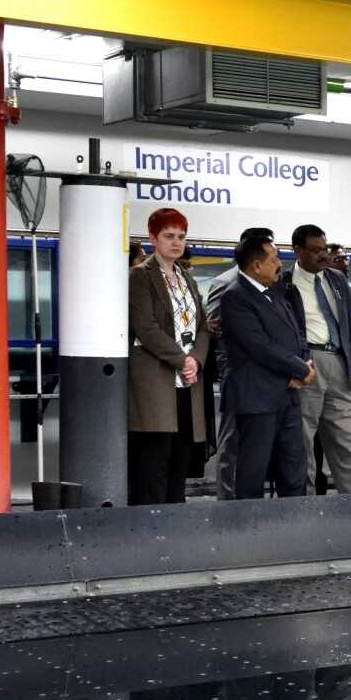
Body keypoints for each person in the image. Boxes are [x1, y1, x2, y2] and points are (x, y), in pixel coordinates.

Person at [219, 233, 314, 498]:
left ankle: (294, 518)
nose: (279, 264)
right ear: (256, 265)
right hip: (257, 396)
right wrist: (301, 369)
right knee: (254, 467)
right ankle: (249, 521)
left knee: (294, 466)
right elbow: (260, 346)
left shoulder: (274, 292)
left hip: (287, 393)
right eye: (274, 259)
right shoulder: (235, 297)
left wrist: (305, 363)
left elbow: (297, 333)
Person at [127, 208, 212, 504]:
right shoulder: (139, 276)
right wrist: (182, 360)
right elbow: (145, 326)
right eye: (169, 236)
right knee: (153, 465)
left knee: (180, 461)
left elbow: (203, 326)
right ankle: (150, 524)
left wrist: (196, 360)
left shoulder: (187, 278)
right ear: (153, 239)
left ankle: (175, 521)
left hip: (187, 382)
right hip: (156, 380)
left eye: (181, 236)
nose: (177, 243)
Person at [282, 224, 351, 495]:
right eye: (316, 250)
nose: (323, 255)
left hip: (339, 363)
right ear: (298, 251)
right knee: (302, 442)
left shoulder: (337, 278)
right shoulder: (284, 283)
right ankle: (304, 507)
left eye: (324, 249)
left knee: (349, 442)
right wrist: (293, 366)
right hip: (307, 364)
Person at [203, 227, 272, 500]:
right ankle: (227, 498)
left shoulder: (272, 281)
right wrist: (227, 372)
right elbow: (215, 330)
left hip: (267, 375)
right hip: (238, 375)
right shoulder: (225, 282)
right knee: (232, 437)